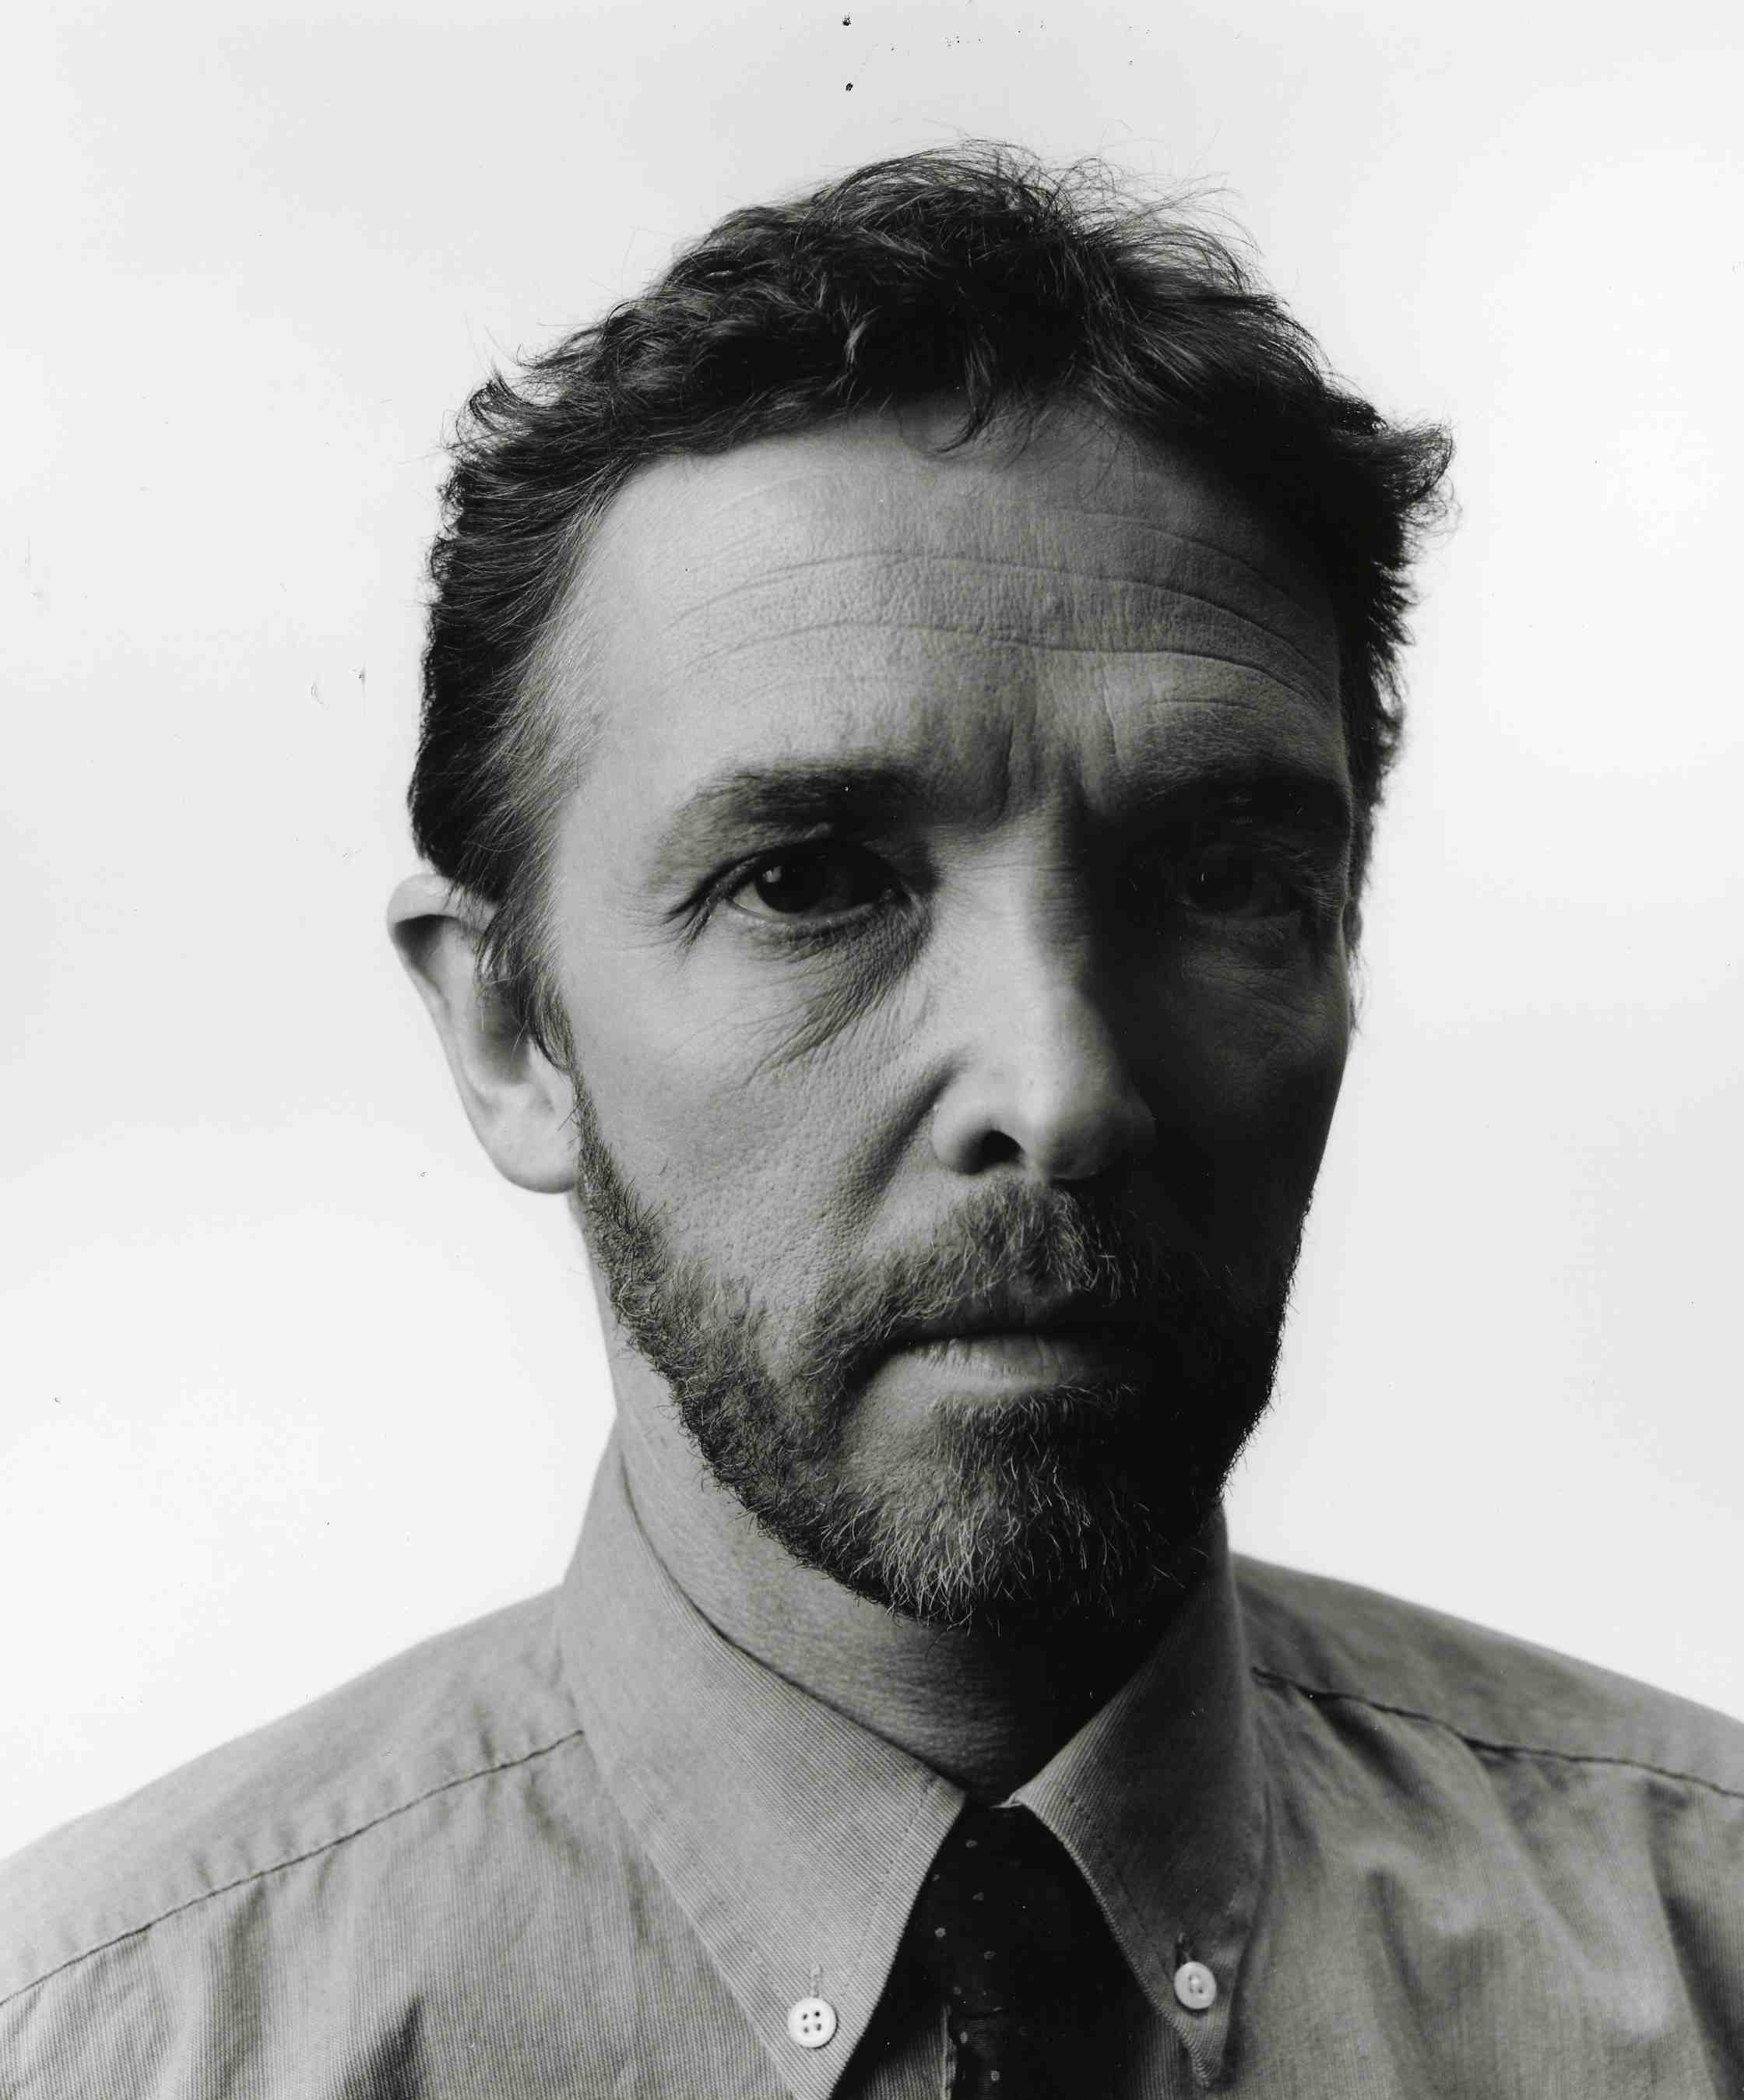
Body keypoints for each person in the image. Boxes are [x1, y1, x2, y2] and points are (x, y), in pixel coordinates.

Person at [2, 144, 1739, 2098]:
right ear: (510, 1032)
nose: (1061, 1091)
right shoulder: (102, 2050)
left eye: (1222, 877)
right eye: (810, 881)